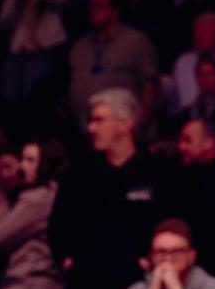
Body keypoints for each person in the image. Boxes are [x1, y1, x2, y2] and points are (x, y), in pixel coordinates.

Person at [49, 88, 167, 289]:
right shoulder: (80, 172)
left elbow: (168, 224)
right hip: (84, 280)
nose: (91, 127)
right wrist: (67, 262)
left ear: (125, 124)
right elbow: (58, 224)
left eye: (99, 120)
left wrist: (147, 262)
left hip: (139, 282)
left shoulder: (157, 171)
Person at [160, 119, 215, 284]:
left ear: (209, 143)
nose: (181, 147)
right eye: (180, 141)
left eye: (188, 140)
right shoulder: (180, 175)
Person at [67, 0, 159, 128]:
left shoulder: (135, 42)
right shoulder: (79, 46)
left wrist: (140, 125)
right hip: (83, 132)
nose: (92, 11)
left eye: (99, 6)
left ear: (115, 11)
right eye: (91, 6)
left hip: (123, 131)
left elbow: (151, 86)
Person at [0, 138, 67, 289]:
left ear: (47, 163)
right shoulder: (55, 193)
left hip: (29, 280)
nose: (22, 166)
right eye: (22, 159)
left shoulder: (39, 198)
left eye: (30, 160)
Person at [127, 219, 215, 289]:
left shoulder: (211, 286)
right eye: (160, 252)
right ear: (152, 256)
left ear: (191, 256)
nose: (168, 258)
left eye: (176, 252)